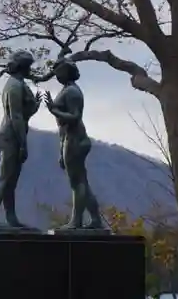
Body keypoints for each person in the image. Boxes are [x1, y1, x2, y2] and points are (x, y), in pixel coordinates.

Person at [0, 50, 42, 230]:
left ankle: (11, 218)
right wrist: (23, 144)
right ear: (23, 67)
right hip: (11, 136)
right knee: (4, 179)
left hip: (14, 134)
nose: (30, 70)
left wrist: (34, 106)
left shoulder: (18, 84)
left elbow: (23, 114)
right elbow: (15, 116)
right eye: (29, 66)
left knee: (10, 182)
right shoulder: (15, 86)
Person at [44, 58, 103, 229]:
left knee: (77, 182)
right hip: (69, 139)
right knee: (82, 181)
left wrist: (53, 109)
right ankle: (95, 219)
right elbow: (62, 126)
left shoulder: (72, 92)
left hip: (76, 139)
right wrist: (61, 148)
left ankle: (76, 221)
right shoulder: (67, 90)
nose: (56, 75)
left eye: (59, 72)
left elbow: (75, 117)